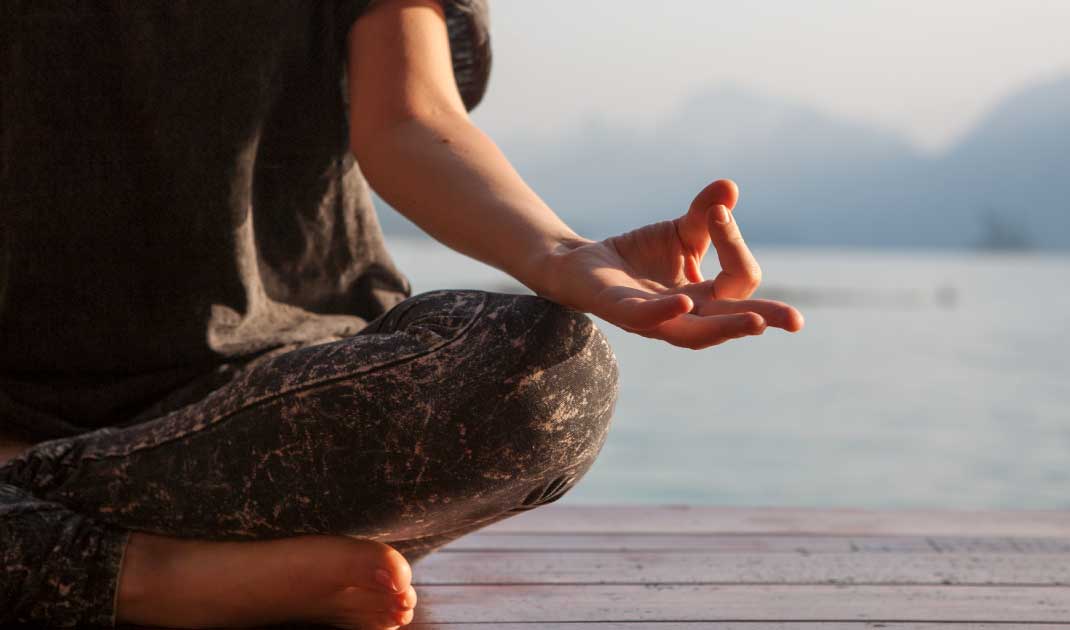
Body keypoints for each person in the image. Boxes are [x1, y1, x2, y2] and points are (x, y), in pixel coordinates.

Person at [0, 0, 803, 627]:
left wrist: (560, 256)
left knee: (550, 373)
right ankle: (156, 578)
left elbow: (413, 120)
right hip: (20, 418)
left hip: (275, 409)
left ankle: (49, 544)